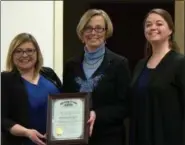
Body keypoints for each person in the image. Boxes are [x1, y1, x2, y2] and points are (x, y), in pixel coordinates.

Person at [63, 9, 131, 145]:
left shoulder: (119, 63)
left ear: (106, 32)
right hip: (76, 138)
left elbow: (126, 106)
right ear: (82, 33)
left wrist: (96, 115)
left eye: (99, 28)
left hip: (109, 138)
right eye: (88, 28)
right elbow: (65, 100)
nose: (93, 33)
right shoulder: (71, 65)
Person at [129, 8, 185, 145]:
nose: (153, 27)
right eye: (148, 25)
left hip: (169, 138)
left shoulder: (180, 63)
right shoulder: (140, 65)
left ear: (170, 30)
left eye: (159, 24)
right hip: (141, 137)